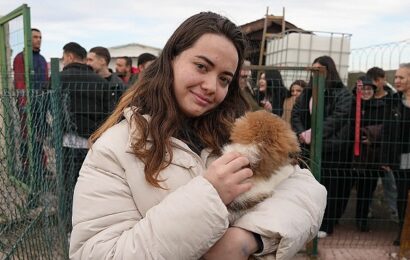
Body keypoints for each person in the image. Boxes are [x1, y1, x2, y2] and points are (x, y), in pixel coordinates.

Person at [69, 12, 327, 259]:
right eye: (202, 66)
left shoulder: (234, 133)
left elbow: (305, 190)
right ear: (171, 59)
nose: (211, 87)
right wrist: (211, 194)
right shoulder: (114, 149)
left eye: (224, 79)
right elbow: (100, 253)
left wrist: (249, 238)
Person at [291, 55, 353, 238]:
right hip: (309, 148)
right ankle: (308, 222)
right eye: (313, 70)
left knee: (330, 188)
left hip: (332, 149)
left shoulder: (342, 94)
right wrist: (302, 132)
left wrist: (314, 134)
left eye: (320, 70)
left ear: (329, 71)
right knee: (308, 186)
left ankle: (327, 224)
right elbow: (296, 112)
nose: (315, 74)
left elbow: (337, 118)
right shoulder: (308, 92)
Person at [60, 42, 113, 233]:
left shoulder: (59, 78)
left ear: (69, 57)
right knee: (91, 187)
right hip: (93, 142)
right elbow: (109, 113)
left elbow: (44, 106)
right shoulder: (100, 82)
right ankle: (91, 225)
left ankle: (70, 227)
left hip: (67, 142)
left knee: (69, 186)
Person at [12, 28, 49, 197]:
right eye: (35, 37)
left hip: (42, 105)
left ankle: (42, 167)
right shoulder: (21, 58)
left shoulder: (41, 59)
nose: (38, 40)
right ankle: (28, 170)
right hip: (28, 105)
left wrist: (47, 104)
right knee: (28, 137)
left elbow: (46, 83)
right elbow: (20, 82)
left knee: (40, 136)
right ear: (28, 39)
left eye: (40, 37)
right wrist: (24, 105)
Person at [381, 63, 410, 246]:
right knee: (402, 196)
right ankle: (402, 233)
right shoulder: (393, 101)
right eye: (396, 77)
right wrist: (386, 158)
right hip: (402, 157)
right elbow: (387, 131)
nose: (397, 81)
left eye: (402, 77)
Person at [351, 75, 385, 232]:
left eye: (369, 88)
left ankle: (362, 221)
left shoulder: (381, 106)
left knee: (366, 191)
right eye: (362, 88)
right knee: (344, 189)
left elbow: (385, 129)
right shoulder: (351, 106)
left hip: (371, 156)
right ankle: (334, 219)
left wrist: (371, 137)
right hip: (350, 156)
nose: (365, 91)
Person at [366, 67, 398, 222]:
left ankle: (395, 213)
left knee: (390, 183)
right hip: (368, 148)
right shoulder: (366, 100)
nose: (377, 83)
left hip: (386, 147)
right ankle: (366, 211)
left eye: (378, 80)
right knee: (367, 184)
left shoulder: (392, 99)